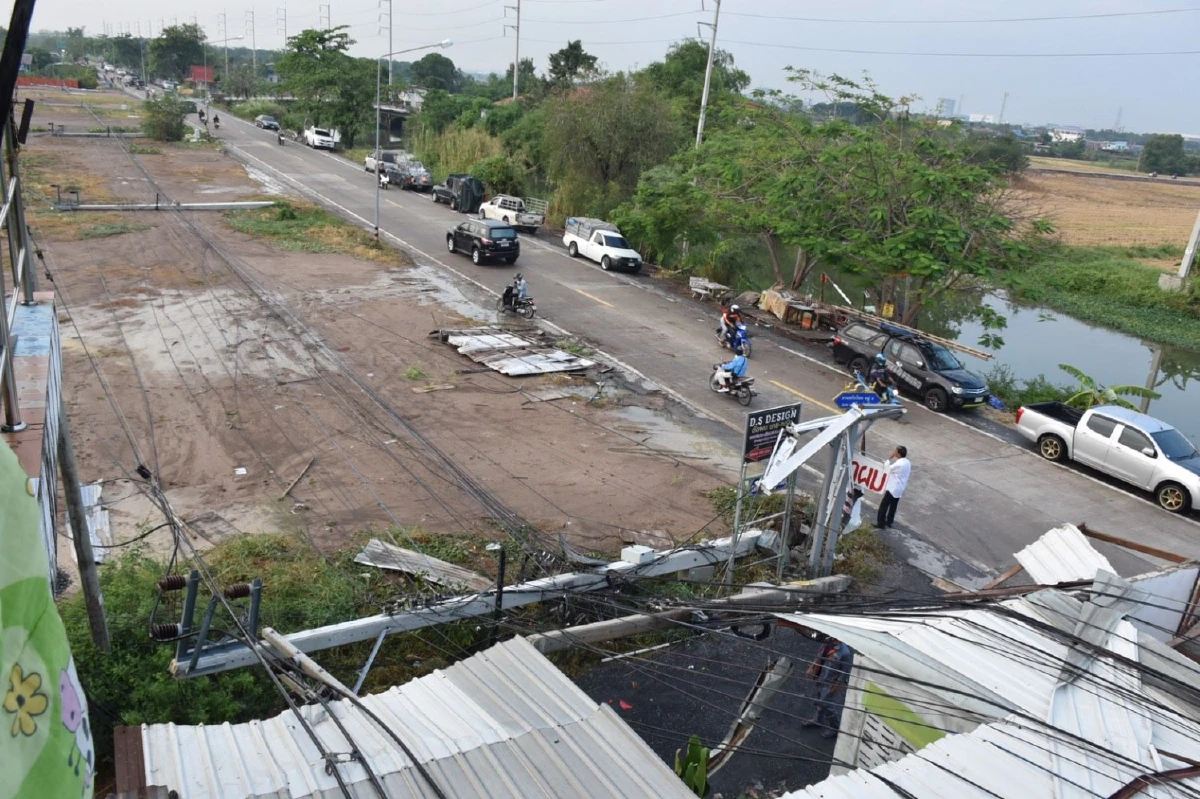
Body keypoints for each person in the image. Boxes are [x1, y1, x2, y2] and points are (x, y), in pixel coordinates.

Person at [803, 637, 854, 738]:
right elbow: (820, 656)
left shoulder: (845, 653)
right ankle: (817, 720)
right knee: (819, 700)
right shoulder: (827, 642)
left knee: (827, 705)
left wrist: (837, 685)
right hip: (821, 676)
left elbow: (844, 672)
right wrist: (812, 667)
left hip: (830, 682)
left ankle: (835, 727)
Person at [876, 445, 910, 529]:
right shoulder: (907, 462)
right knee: (893, 506)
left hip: (893, 488)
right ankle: (889, 521)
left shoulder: (899, 464)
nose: (893, 452)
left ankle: (881, 523)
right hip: (900, 488)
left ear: (898, 454)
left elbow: (887, 469)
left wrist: (888, 459)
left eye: (895, 451)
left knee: (884, 506)